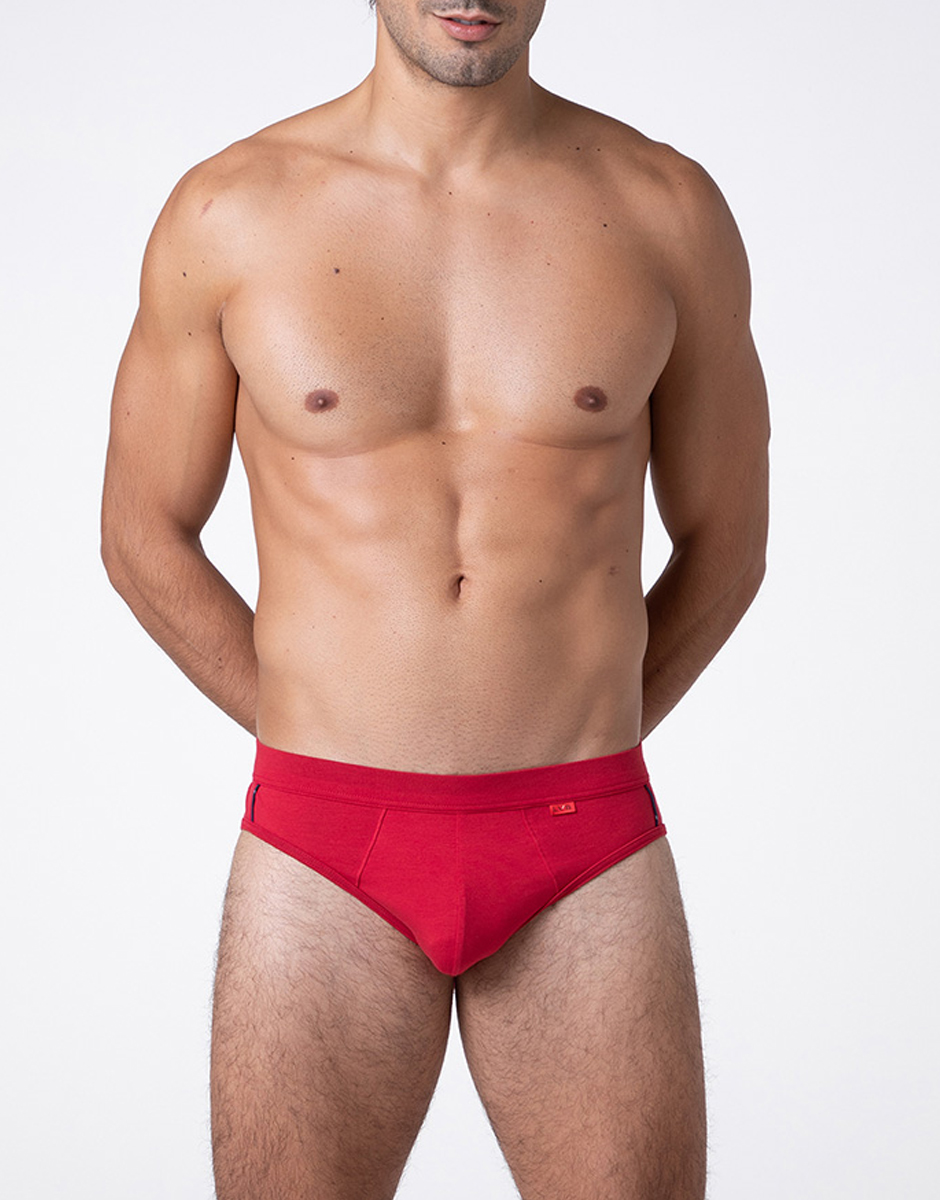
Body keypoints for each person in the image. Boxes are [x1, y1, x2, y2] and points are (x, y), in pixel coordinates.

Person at [101, 1, 769, 1196]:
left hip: (581, 842)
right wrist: (314, 728)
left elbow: (728, 541)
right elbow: (140, 531)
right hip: (322, 846)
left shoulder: (665, 211)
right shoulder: (229, 214)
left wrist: (588, 737)